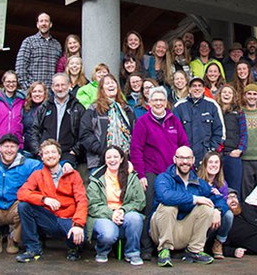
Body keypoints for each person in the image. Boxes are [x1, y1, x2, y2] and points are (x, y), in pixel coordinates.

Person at [129, 86, 189, 260]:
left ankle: (170, 246)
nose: (158, 103)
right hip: (151, 172)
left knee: (173, 209)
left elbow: (183, 145)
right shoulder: (143, 122)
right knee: (149, 209)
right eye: (154, 100)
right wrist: (141, 175)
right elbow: (136, 150)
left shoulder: (174, 121)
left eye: (161, 100)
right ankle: (146, 248)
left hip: (172, 173)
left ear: (166, 102)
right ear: (149, 103)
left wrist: (185, 170)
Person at [150, 146, 229, 267]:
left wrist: (218, 211)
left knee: (207, 207)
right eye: (181, 158)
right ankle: (164, 250)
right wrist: (195, 199)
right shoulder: (164, 178)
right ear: (174, 159)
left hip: (185, 232)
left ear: (193, 160)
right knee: (169, 206)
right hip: (162, 231)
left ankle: (194, 251)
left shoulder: (199, 183)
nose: (185, 162)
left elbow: (218, 199)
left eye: (188, 158)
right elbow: (165, 196)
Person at [16, 140, 88, 263]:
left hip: (68, 218)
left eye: (53, 152)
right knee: (24, 206)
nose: (50, 155)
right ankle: (33, 249)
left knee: (80, 237)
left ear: (59, 155)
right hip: (50, 219)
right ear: (42, 157)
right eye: (46, 153)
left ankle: (74, 248)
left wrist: (78, 224)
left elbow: (82, 200)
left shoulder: (72, 174)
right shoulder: (37, 175)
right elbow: (22, 193)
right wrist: (43, 199)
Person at [0, 133, 42, 255]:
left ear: (18, 148)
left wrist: (65, 165)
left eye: (12, 146)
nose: (9, 150)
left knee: (26, 209)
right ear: (0, 148)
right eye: (6, 146)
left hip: (14, 205)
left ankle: (13, 239)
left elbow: (46, 165)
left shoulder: (28, 164)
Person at [86, 146, 146, 265]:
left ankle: (132, 253)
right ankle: (102, 251)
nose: (112, 160)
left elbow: (140, 201)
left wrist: (123, 210)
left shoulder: (132, 177)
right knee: (108, 234)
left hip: (125, 214)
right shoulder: (96, 178)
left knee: (135, 218)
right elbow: (92, 205)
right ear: (105, 159)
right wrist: (111, 213)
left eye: (115, 157)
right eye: (109, 157)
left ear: (122, 159)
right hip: (103, 215)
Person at [80, 75, 135, 171]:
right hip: (99, 161)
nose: (111, 85)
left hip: (124, 161)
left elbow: (135, 132)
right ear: (101, 89)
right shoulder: (94, 109)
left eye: (113, 82)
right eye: (107, 83)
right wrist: (102, 151)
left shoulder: (126, 109)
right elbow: (85, 133)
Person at [30, 73, 85, 167]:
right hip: (46, 154)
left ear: (69, 85)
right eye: (57, 85)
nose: (60, 88)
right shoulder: (44, 107)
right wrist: (38, 151)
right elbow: (35, 131)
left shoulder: (78, 108)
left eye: (63, 85)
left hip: (68, 155)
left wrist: (75, 151)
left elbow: (84, 132)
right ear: (52, 87)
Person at [173, 77, 224, 165]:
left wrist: (211, 150)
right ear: (189, 89)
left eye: (200, 86)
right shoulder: (179, 107)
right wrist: (182, 153)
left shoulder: (212, 105)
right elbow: (174, 133)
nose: (197, 88)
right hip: (185, 159)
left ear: (204, 89)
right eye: (194, 86)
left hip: (207, 158)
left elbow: (220, 131)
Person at [197, 151, 233, 259]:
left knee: (228, 215)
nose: (214, 165)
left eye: (216, 162)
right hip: (199, 217)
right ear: (205, 164)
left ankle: (218, 243)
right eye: (211, 162)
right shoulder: (197, 180)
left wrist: (218, 207)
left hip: (215, 221)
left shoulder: (222, 183)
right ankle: (197, 245)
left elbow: (225, 204)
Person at [15, 12, 62, 91]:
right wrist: (28, 89)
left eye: (46, 21)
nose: (44, 23)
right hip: (34, 92)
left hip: (51, 93)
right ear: (37, 24)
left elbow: (59, 70)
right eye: (41, 21)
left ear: (50, 24)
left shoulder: (57, 45)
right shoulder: (29, 42)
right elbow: (20, 67)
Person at [218, 85, 246, 198]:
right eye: (224, 92)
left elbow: (244, 133)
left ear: (234, 96)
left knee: (234, 189)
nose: (226, 94)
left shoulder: (239, 112)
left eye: (229, 93)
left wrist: (240, 150)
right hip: (218, 155)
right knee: (218, 188)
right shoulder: (214, 110)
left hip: (232, 154)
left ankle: (236, 213)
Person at [0, 71, 25, 153]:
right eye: (8, 81)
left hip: (16, 144)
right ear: (3, 82)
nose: (11, 84)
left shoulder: (22, 100)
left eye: (13, 81)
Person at [22, 81, 48, 157]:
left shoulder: (49, 108)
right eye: (34, 91)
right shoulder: (25, 109)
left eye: (40, 91)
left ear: (45, 93)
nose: (37, 94)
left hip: (43, 151)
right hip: (27, 150)